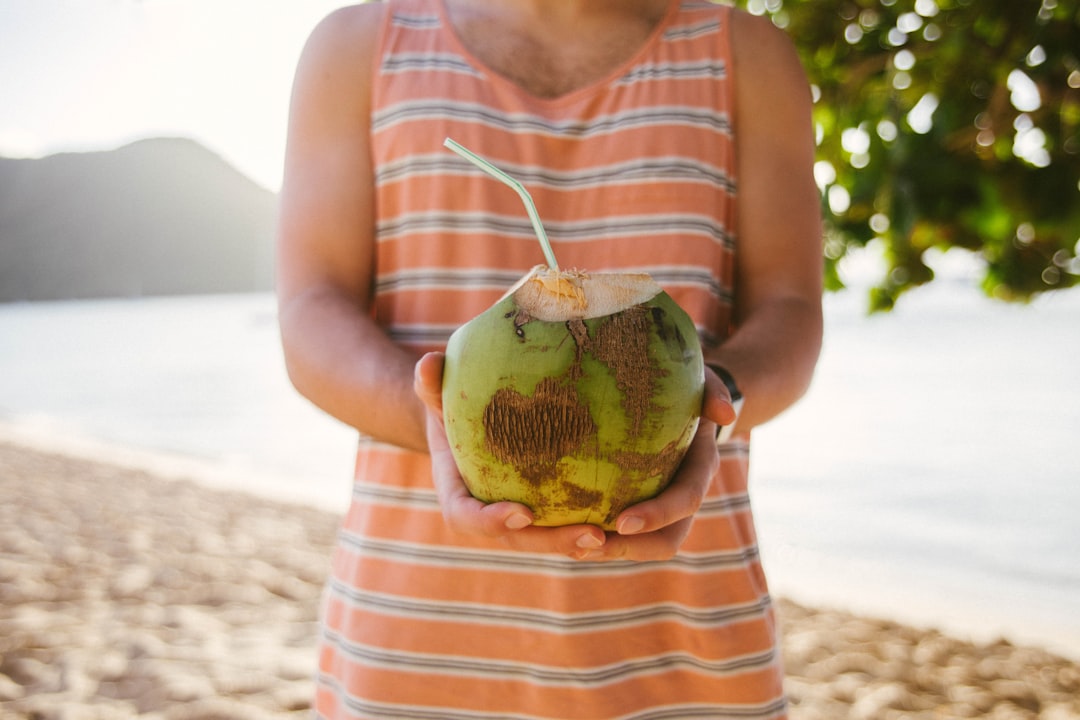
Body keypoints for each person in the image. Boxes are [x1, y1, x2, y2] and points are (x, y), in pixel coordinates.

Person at [277, 0, 822, 717]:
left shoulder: (748, 54)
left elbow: (791, 311)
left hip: (687, 653)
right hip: (414, 646)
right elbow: (311, 312)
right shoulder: (356, 47)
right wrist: (445, 425)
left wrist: (717, 398)